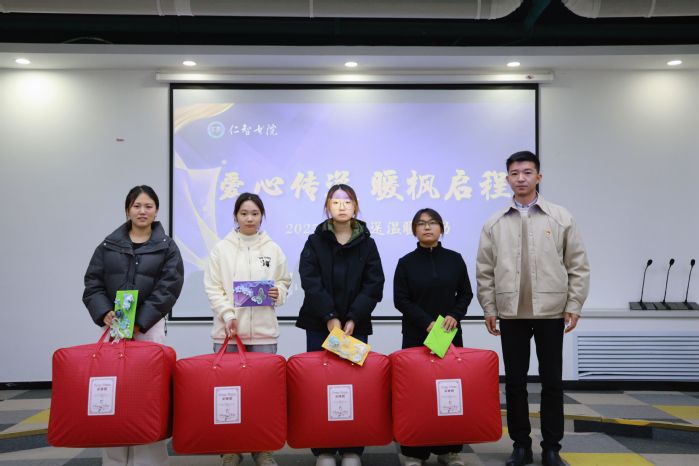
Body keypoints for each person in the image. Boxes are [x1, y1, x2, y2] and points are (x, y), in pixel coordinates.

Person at [476, 151, 590, 466]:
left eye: (527, 172)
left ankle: (552, 448)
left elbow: (578, 265)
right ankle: (521, 446)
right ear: (507, 179)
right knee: (515, 383)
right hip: (511, 313)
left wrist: (574, 304)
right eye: (515, 173)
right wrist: (489, 307)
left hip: (551, 312)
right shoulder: (495, 222)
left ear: (538, 177)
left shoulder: (561, 217)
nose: (521, 178)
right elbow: (484, 270)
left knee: (552, 382)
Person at [83, 185, 184, 466]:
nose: (142, 211)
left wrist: (140, 321)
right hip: (113, 326)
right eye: (137, 206)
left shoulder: (167, 247)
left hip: (149, 328)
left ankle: (149, 459)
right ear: (127, 209)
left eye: (148, 206)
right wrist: (104, 312)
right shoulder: (108, 245)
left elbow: (169, 288)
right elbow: (92, 284)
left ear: (156, 210)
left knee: (148, 393)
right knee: (112, 392)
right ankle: (114, 459)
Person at [296, 184, 385, 466]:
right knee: (319, 386)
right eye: (335, 202)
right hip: (319, 324)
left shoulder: (367, 243)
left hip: (354, 327)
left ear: (355, 207)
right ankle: (323, 449)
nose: (342, 206)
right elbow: (310, 280)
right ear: (327, 207)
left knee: (354, 387)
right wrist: (329, 316)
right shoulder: (315, 241)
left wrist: (353, 317)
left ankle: (352, 448)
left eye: (347, 202)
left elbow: (374, 284)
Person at [204, 192, 291, 466]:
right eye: (244, 213)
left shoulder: (273, 248)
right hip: (229, 334)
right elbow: (213, 288)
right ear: (235, 216)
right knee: (229, 395)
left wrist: (279, 292)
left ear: (261, 216)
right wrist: (228, 314)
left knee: (263, 395)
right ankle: (231, 449)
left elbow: (285, 281)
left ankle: (262, 449)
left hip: (264, 334)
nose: (249, 218)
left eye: (255, 213)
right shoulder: (221, 249)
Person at [394, 208, 473, 466]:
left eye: (432, 223)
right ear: (414, 230)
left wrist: (454, 315)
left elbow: (465, 294)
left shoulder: (455, 259)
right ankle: (414, 452)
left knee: (449, 392)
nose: (427, 227)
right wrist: (426, 322)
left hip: (448, 335)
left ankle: (449, 451)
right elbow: (400, 299)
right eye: (421, 223)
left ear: (441, 228)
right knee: (417, 393)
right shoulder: (406, 263)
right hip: (416, 335)